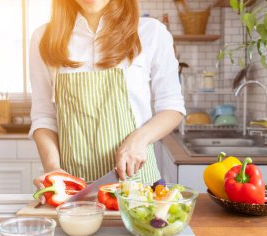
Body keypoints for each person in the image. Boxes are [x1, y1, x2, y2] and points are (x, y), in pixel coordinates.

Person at [30, 0, 185, 204]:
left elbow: (172, 107)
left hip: (139, 189)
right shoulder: (44, 37)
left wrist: (140, 139)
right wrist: (53, 170)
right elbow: (44, 117)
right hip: (74, 194)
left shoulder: (151, 32)